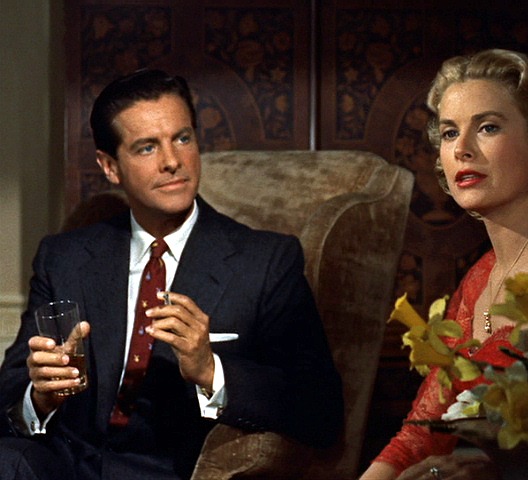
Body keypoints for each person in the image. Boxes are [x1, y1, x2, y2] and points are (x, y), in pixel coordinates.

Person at [0, 69, 343, 479]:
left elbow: (321, 412)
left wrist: (210, 370)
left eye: (182, 139)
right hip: (66, 465)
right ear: (110, 167)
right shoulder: (65, 256)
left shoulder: (266, 261)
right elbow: (9, 393)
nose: (172, 162)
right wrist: (40, 397)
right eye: (147, 148)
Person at [360, 49, 528, 480]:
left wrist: (495, 470)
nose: (462, 149)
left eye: (487, 127)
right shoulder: (478, 279)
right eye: (449, 133)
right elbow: (420, 435)